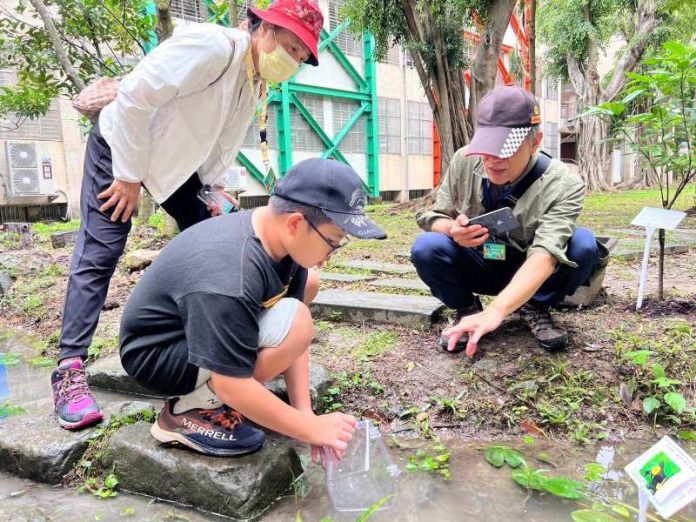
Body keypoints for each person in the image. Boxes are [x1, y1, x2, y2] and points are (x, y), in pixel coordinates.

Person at [51, 0, 325, 430]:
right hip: (122, 146)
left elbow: (217, 140)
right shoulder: (214, 47)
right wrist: (127, 175)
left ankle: (221, 342)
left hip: (179, 171)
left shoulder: (254, 80)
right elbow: (136, 98)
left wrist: (211, 188)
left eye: (300, 57)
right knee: (101, 253)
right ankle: (69, 370)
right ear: (264, 29)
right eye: (290, 47)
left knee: (220, 245)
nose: (292, 61)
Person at [118, 158, 387, 458]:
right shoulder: (233, 271)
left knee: (307, 288)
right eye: (334, 241)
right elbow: (232, 382)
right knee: (296, 321)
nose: (332, 254)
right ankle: (190, 409)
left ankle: (222, 392)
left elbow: (294, 336)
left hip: (194, 331)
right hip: (160, 354)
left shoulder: (282, 241)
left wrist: (304, 414)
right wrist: (310, 430)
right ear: (296, 223)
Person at [411, 86, 607, 357]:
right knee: (426, 246)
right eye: (486, 147)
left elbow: (546, 255)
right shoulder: (463, 161)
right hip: (480, 261)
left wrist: (498, 310)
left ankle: (533, 307)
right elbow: (434, 215)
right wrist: (451, 230)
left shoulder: (565, 184)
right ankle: (467, 310)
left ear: (535, 142)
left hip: (530, 271)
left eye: (505, 149)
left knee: (584, 245)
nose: (492, 160)